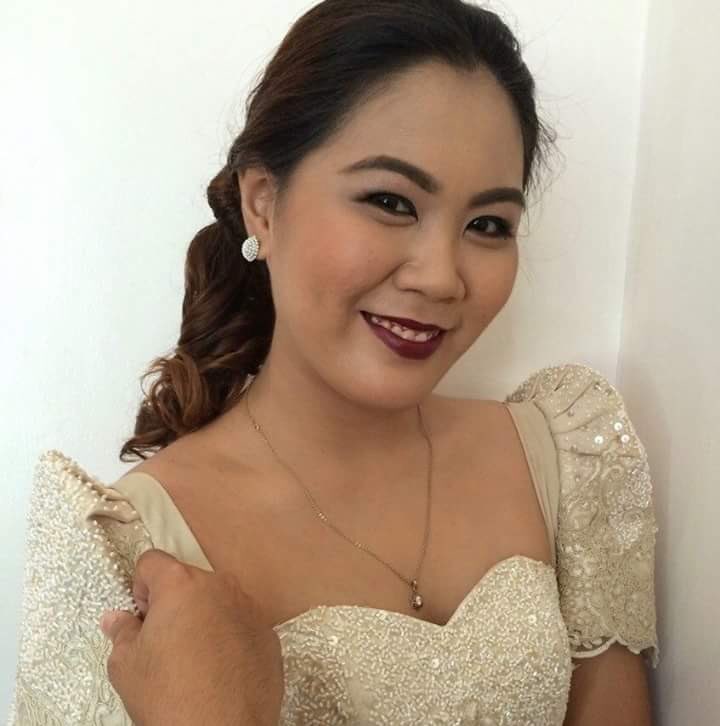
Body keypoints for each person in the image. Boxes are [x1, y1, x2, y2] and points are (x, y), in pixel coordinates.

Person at [6, 0, 661, 724]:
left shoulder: (565, 460)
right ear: (263, 204)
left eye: (487, 224)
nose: (441, 278)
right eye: (390, 201)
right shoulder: (127, 553)